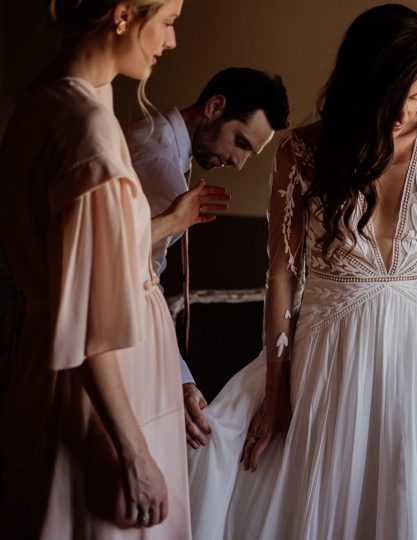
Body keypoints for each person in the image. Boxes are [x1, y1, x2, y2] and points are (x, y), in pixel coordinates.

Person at [187, 4, 417, 538]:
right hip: (331, 354)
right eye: (394, 98)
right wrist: (277, 388)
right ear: (361, 87)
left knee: (411, 502)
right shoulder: (301, 150)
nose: (404, 113)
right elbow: (281, 272)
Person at [0, 0, 195, 537]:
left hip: (51, 369)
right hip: (100, 397)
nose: (172, 42)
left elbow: (85, 258)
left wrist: (172, 219)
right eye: (169, 21)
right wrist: (132, 452)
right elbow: (86, 321)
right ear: (124, 15)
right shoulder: (88, 131)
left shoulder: (51, 98)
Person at [125, 67, 290, 449]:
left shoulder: (164, 149)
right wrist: (174, 378)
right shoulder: (158, 162)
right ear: (215, 107)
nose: (239, 163)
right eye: (241, 143)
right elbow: (132, 282)